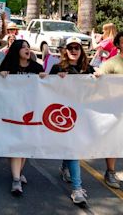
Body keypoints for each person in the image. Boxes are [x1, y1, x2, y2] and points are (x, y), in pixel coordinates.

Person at [49, 37, 94, 205]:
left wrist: (98, 78)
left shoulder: (88, 69)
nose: (74, 50)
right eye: (70, 47)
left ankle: (65, 167)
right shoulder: (57, 68)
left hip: (82, 115)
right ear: (65, 51)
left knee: (71, 147)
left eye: (77, 47)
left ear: (82, 51)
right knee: (73, 149)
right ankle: (77, 189)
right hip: (63, 115)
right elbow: (45, 88)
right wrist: (55, 79)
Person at [0, 39, 45, 196]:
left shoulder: (37, 67)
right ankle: (16, 179)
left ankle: (18, 172)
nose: (27, 49)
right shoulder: (7, 67)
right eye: (23, 47)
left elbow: (47, 87)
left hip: (31, 111)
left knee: (24, 144)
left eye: (28, 47)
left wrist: (46, 78)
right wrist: (1, 76)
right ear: (16, 50)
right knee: (16, 145)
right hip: (12, 112)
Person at [97, 31, 123, 189]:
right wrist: (99, 75)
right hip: (116, 109)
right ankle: (110, 172)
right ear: (119, 44)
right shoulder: (112, 63)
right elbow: (99, 77)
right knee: (114, 140)